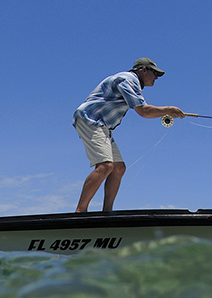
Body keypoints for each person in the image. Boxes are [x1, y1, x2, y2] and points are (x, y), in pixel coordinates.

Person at [72, 58, 184, 212]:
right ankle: (81, 211)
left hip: (103, 126)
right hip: (90, 119)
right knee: (105, 166)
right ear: (143, 70)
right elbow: (143, 111)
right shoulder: (128, 79)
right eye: (155, 73)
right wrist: (168, 109)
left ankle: (107, 213)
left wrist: (167, 110)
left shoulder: (133, 83)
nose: (156, 77)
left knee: (118, 168)